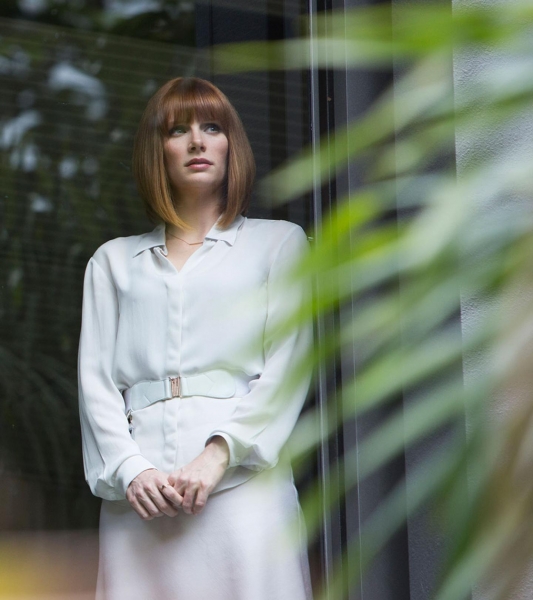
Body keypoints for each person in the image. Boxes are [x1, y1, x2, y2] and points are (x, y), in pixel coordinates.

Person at [78, 77, 313, 600]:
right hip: (140, 498)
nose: (197, 141)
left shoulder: (278, 244)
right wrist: (131, 470)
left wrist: (217, 455)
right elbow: (95, 383)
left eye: (212, 127)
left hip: (246, 489)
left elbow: (288, 367)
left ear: (232, 144)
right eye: (177, 130)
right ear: (156, 150)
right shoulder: (112, 262)